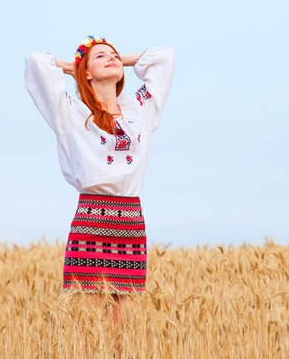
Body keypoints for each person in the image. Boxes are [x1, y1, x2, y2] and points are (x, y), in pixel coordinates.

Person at [23, 36, 176, 331]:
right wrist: (73, 68)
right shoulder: (72, 113)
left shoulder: (140, 109)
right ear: (87, 73)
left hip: (131, 224)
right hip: (91, 221)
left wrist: (119, 59)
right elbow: (35, 63)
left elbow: (165, 57)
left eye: (114, 55)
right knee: (89, 331)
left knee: (125, 332)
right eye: (101, 56)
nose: (112, 58)